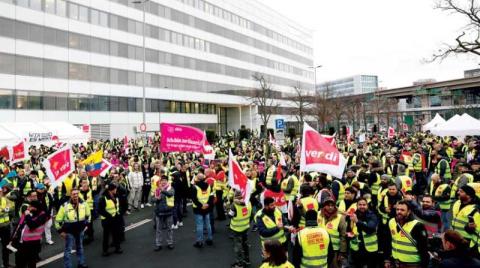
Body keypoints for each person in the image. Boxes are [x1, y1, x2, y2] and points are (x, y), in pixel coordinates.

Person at [384, 200, 429, 268]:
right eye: (397, 209)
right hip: (396, 262)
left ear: (409, 211)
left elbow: (424, 248)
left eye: (402, 210)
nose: (399, 212)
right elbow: (388, 241)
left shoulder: (417, 225)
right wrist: (387, 259)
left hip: (413, 264)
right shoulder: (391, 222)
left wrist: (423, 265)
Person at [55, 188, 90, 268]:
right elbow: (57, 221)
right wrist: (60, 232)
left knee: (80, 247)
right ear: (70, 195)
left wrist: (87, 225)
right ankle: (68, 266)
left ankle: (81, 263)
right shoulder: (64, 206)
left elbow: (88, 215)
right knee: (68, 250)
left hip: (80, 230)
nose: (76, 196)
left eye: (77, 194)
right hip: (69, 232)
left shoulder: (84, 204)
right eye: (74, 194)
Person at [14, 200, 48, 268]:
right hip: (22, 242)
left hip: (33, 243)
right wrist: (13, 237)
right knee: (19, 261)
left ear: (35, 208)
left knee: (31, 262)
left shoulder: (42, 215)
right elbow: (19, 225)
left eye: (30, 206)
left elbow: (32, 225)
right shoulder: (29, 213)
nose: (28, 208)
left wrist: (27, 215)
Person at [348, 197, 379, 268]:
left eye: (364, 205)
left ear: (367, 206)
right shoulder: (353, 215)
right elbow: (349, 229)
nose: (362, 206)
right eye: (360, 205)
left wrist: (357, 221)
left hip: (370, 250)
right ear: (357, 205)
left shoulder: (372, 215)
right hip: (356, 249)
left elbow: (370, 229)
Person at [317, 199, 347, 268]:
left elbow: (343, 236)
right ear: (324, 206)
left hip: (334, 249)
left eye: (332, 205)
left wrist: (342, 252)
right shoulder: (318, 214)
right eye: (328, 205)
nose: (330, 207)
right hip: (320, 247)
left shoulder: (340, 217)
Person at [451, 184, 480, 253]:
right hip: (455, 238)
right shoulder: (457, 203)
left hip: (467, 242)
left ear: (468, 195)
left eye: (461, 192)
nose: (458, 192)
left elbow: (477, 230)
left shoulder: (475, 209)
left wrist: (470, 228)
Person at [98, 183, 123, 256]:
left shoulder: (116, 195)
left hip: (115, 218)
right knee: (106, 236)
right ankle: (105, 251)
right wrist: (109, 216)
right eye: (115, 189)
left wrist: (119, 213)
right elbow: (100, 210)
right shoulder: (103, 198)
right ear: (111, 190)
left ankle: (117, 248)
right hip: (107, 220)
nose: (116, 190)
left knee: (116, 234)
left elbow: (118, 206)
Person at [228, 190, 252, 268]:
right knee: (245, 244)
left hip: (236, 228)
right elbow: (251, 214)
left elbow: (230, 215)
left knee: (238, 246)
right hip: (245, 227)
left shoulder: (234, 205)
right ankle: (247, 260)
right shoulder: (248, 203)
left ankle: (239, 264)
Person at [191, 173, 214, 248]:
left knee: (199, 226)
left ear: (197, 178)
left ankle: (199, 241)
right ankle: (210, 239)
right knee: (208, 224)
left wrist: (201, 205)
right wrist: (207, 204)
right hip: (207, 208)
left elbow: (194, 199)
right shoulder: (209, 186)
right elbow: (211, 196)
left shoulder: (195, 187)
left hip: (198, 209)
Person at [153, 175, 175, 251]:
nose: (163, 182)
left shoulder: (170, 188)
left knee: (169, 229)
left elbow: (170, 194)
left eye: (165, 180)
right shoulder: (156, 189)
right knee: (158, 229)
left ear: (167, 181)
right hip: (159, 212)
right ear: (160, 181)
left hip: (169, 211)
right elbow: (152, 199)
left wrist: (162, 190)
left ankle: (170, 243)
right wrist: (156, 199)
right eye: (162, 180)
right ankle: (158, 244)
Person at [0, 180, 12, 268]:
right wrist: (4, 209)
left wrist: (7, 208)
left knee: (6, 246)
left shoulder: (5, 198)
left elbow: (11, 207)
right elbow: (5, 209)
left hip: (6, 225)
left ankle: (6, 264)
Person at [79, 179, 94, 243]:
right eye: (83, 183)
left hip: (90, 210)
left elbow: (98, 189)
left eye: (86, 183)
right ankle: (85, 236)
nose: (85, 184)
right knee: (83, 224)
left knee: (89, 224)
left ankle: (90, 236)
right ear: (81, 184)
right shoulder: (78, 192)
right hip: (82, 211)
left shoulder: (91, 191)